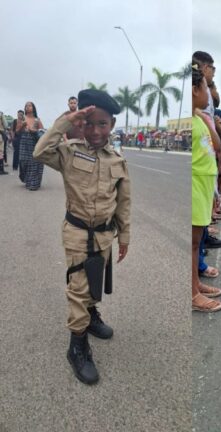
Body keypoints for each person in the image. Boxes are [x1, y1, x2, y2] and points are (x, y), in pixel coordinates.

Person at [32, 89, 131, 385]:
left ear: (111, 125)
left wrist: (124, 235)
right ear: (81, 124)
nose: (96, 130)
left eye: (103, 124)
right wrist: (66, 121)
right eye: (89, 123)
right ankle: (77, 345)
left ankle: (90, 316)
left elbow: (124, 201)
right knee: (79, 285)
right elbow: (39, 151)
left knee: (94, 280)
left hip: (104, 235)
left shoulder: (117, 159)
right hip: (76, 232)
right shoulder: (69, 151)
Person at [191, 63, 221, 313]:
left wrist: (204, 117)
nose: (208, 93)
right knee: (192, 243)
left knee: (197, 240)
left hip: (204, 182)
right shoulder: (190, 121)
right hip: (194, 183)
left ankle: (195, 283)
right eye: (204, 86)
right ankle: (192, 293)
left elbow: (215, 145)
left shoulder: (198, 118)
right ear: (194, 90)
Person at [17, 101, 45, 190]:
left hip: (34, 143)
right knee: (24, 161)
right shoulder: (22, 119)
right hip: (24, 144)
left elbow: (42, 132)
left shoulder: (37, 119)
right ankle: (26, 179)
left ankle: (33, 183)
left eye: (29, 106)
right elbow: (17, 132)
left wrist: (35, 131)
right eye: (26, 106)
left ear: (33, 108)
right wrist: (22, 126)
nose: (27, 107)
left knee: (34, 163)